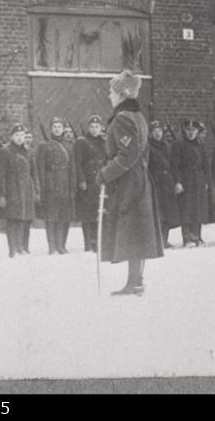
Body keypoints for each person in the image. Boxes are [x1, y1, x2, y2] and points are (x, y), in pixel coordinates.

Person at [96, 70, 163, 296]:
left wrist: (106, 173)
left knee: (132, 228)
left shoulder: (123, 118)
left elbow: (128, 153)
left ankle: (134, 282)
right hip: (138, 179)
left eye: (112, 92)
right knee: (137, 230)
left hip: (129, 182)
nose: (109, 96)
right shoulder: (139, 117)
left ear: (123, 94)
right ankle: (135, 280)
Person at [0, 124, 38, 258]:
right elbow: (0, 174)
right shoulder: (5, 151)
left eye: (22, 136)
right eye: (17, 136)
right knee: (13, 219)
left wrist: (35, 190)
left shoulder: (27, 152)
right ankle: (12, 249)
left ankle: (20, 247)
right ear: (12, 137)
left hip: (25, 189)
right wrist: (2, 194)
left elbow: (32, 172)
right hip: (12, 188)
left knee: (22, 219)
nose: (20, 138)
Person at [36, 117, 77, 255]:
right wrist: (42, 186)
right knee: (51, 216)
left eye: (59, 127)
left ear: (63, 129)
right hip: (51, 183)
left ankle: (61, 245)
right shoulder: (44, 146)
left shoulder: (69, 146)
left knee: (64, 217)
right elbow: (40, 168)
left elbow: (72, 169)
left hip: (65, 183)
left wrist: (72, 187)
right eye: (54, 127)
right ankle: (52, 246)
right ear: (51, 129)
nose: (57, 129)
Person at [172, 119, 210, 247]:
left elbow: (206, 166)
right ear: (184, 131)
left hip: (198, 180)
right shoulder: (179, 145)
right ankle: (187, 238)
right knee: (186, 209)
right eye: (188, 130)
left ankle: (197, 236)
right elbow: (175, 166)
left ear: (197, 131)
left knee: (198, 208)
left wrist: (206, 182)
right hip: (186, 180)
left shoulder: (200, 146)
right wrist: (177, 182)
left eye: (193, 130)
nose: (190, 133)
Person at [74, 115, 107, 252]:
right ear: (88, 128)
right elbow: (77, 163)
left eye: (97, 127)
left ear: (101, 128)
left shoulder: (104, 142)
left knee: (98, 211)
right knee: (87, 213)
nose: (94, 130)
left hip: (100, 181)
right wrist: (81, 180)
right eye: (92, 127)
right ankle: (88, 243)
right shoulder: (82, 142)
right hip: (88, 182)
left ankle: (97, 242)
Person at [148, 120, 180, 248]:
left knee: (167, 212)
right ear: (150, 133)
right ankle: (157, 241)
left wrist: (176, 181)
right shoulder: (148, 147)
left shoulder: (167, 147)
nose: (157, 134)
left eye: (160, 131)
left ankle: (164, 240)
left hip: (167, 182)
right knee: (157, 212)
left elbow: (173, 166)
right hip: (155, 183)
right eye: (155, 131)